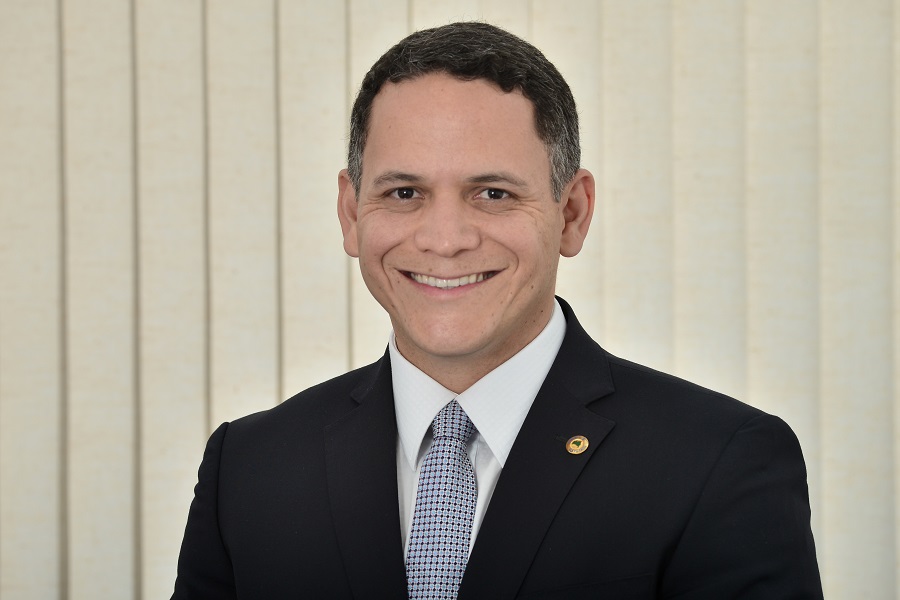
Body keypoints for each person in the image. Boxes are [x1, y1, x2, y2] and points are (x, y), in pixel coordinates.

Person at [172, 22, 823, 599]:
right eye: (404, 192)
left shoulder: (719, 462)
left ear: (572, 213)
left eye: (492, 193)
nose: (445, 239)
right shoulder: (249, 468)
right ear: (350, 214)